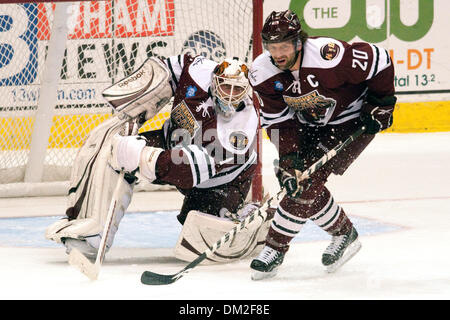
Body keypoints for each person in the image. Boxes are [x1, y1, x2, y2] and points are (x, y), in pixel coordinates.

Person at [46, 54, 267, 262]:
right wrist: (136, 108)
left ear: (246, 91)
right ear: (214, 80)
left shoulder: (242, 125)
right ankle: (91, 235)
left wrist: (142, 156)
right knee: (110, 152)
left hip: (220, 181)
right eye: (226, 86)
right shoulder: (197, 71)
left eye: (237, 89)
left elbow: (189, 171)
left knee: (198, 239)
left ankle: (249, 215)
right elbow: (163, 72)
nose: (229, 94)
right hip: (171, 143)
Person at [248, 10, 396, 280]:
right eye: (272, 46)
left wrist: (382, 103)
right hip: (308, 124)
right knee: (296, 178)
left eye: (283, 46)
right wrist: (289, 159)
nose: (277, 53)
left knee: (308, 179)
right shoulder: (262, 72)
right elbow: (277, 121)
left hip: (350, 120)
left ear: (298, 42)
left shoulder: (330, 56)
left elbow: (381, 60)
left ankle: (274, 248)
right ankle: (344, 233)